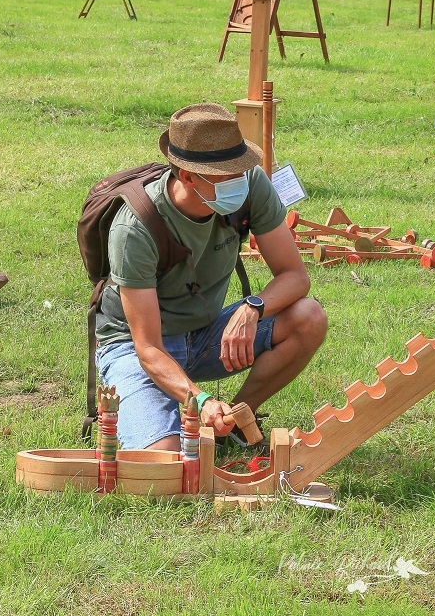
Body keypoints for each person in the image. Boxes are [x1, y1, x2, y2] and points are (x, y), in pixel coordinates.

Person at [94, 104, 328, 450]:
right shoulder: (135, 228)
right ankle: (166, 418)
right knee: (165, 465)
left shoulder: (250, 183)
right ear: (188, 177)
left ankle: (235, 420)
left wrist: (253, 308)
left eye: (240, 167)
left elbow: (295, 276)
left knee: (309, 317)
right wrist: (200, 401)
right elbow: (148, 348)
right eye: (228, 174)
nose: (241, 179)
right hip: (137, 347)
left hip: (203, 334)